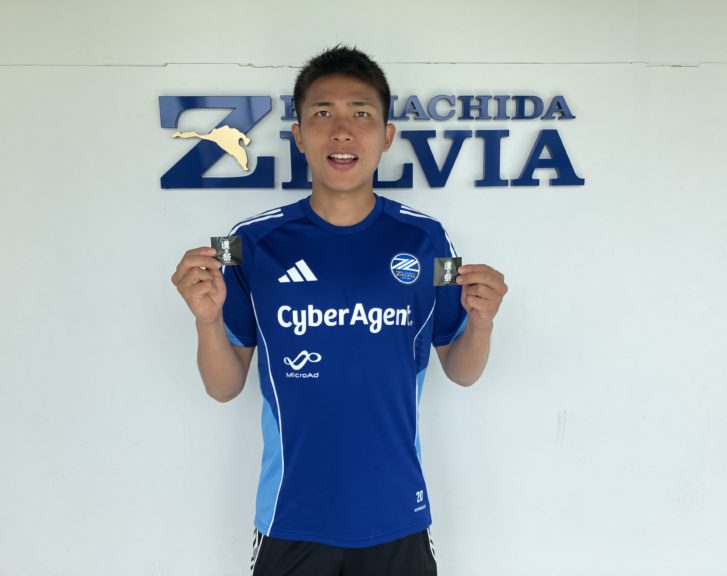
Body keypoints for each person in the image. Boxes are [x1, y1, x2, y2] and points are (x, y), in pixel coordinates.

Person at [171, 45, 507, 576]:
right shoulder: (254, 242)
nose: (343, 131)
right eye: (323, 113)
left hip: (397, 513)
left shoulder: (425, 239)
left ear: (387, 135)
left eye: (361, 113)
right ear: (299, 135)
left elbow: (462, 371)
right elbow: (223, 386)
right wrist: (206, 320)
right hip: (291, 516)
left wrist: (482, 324)